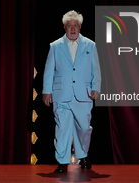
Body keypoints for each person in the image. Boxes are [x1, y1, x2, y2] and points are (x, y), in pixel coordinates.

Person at [42, 10, 101, 173]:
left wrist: (96, 87)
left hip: (83, 94)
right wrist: (47, 91)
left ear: (80, 27)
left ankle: (83, 155)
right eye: (70, 26)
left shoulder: (90, 45)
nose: (73, 29)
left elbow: (96, 69)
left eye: (75, 26)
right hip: (62, 94)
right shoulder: (55, 46)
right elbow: (49, 70)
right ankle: (62, 160)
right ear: (65, 27)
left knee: (84, 128)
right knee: (62, 129)